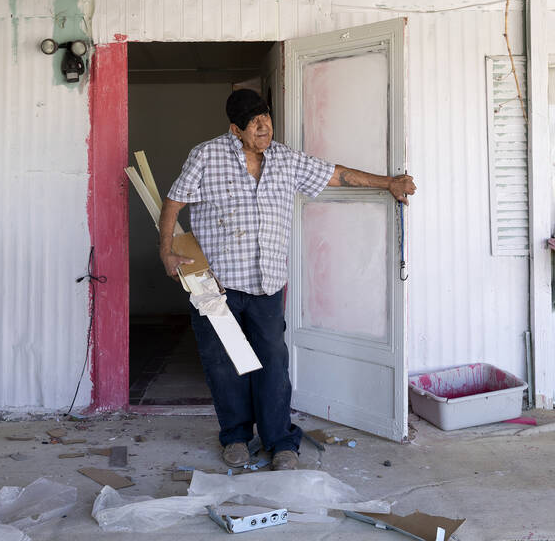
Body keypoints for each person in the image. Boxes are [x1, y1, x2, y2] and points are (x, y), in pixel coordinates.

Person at [158, 88, 416, 471]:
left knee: (273, 363)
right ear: (235, 129)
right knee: (224, 365)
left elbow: (337, 175)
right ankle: (235, 438)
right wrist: (166, 249)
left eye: (267, 120)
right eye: (255, 124)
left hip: (267, 285)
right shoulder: (206, 156)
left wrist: (388, 183)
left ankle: (280, 442)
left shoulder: (284, 159)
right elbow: (174, 201)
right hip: (216, 285)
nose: (265, 129)